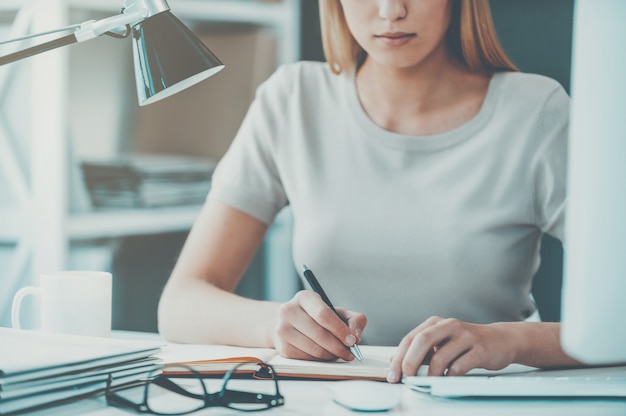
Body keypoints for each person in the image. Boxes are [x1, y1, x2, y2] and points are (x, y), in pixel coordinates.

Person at [158, 0, 580, 383]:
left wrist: (509, 341)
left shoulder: (537, 113)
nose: (390, 10)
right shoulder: (292, 100)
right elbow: (180, 303)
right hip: (332, 401)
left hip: (486, 400)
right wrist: (275, 324)